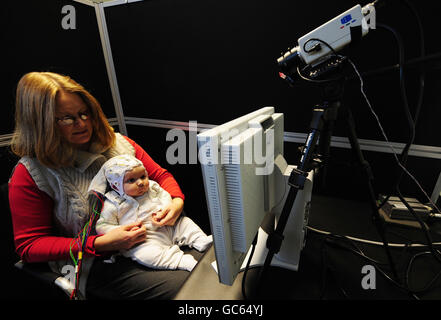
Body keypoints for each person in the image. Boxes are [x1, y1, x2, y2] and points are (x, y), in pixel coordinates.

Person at [8, 71, 204, 299]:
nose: (82, 123)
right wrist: (99, 243)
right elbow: (29, 246)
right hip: (95, 263)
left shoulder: (119, 144)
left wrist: (176, 202)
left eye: (84, 113)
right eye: (68, 118)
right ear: (41, 123)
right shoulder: (32, 173)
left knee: (214, 269)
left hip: (157, 237)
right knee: (194, 292)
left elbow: (160, 176)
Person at [91, 154, 212, 272]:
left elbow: (164, 196)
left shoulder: (152, 187)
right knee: (145, 254)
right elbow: (102, 225)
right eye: (131, 180)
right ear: (116, 186)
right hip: (143, 239)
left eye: (143, 176)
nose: (140, 183)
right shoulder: (113, 203)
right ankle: (180, 260)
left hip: (168, 225)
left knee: (185, 223)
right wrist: (121, 231)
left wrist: (165, 209)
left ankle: (200, 240)